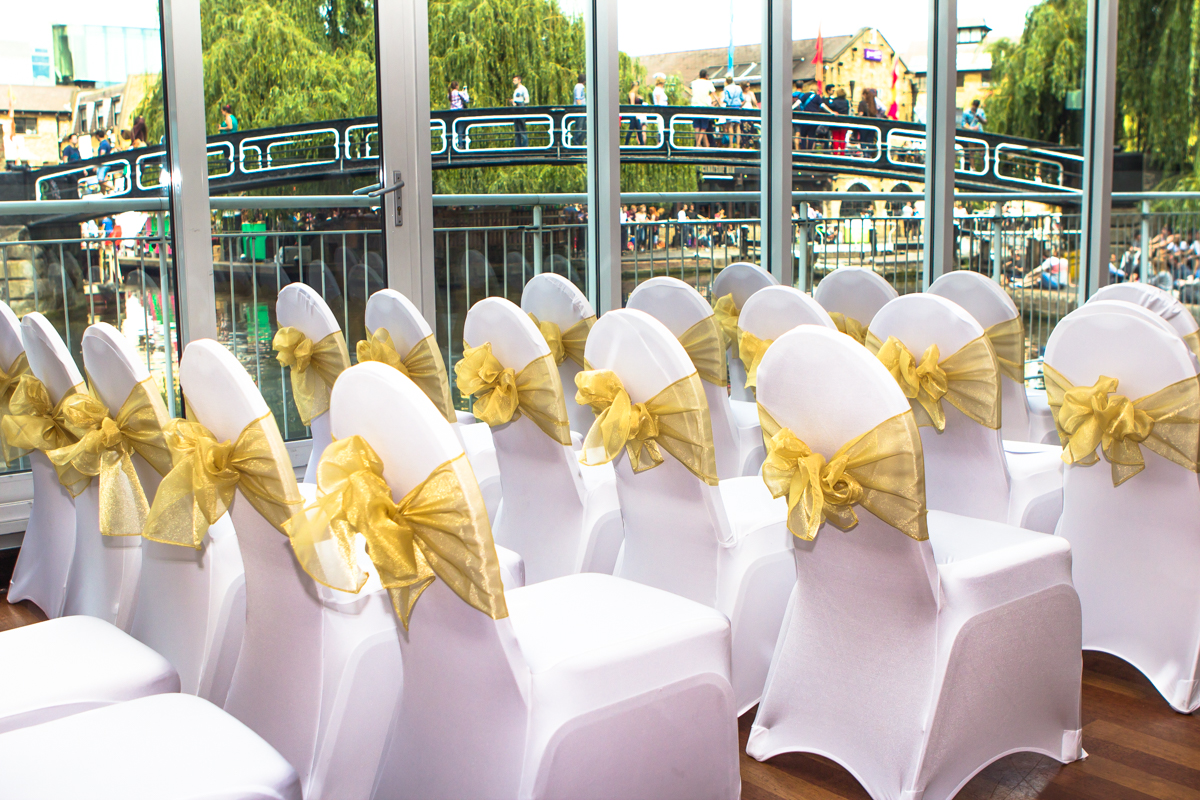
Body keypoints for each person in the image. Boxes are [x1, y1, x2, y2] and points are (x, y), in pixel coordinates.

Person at [690, 69, 716, 147]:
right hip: (704, 106)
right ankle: (698, 143)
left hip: (694, 105)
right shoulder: (708, 83)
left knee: (696, 126)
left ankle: (697, 144)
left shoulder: (693, 83)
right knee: (704, 126)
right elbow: (714, 94)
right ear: (706, 76)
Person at [720, 78, 744, 148]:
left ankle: (731, 144)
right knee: (737, 125)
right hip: (737, 106)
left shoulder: (726, 88)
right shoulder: (738, 87)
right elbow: (742, 98)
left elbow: (726, 99)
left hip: (730, 107)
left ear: (726, 81)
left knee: (730, 125)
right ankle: (738, 144)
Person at [829, 87, 850, 155]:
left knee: (835, 138)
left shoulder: (834, 101)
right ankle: (842, 153)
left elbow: (830, 107)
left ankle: (835, 153)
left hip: (835, 122)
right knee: (842, 138)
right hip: (844, 122)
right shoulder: (846, 102)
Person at [511, 74, 530, 147]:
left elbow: (527, 100)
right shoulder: (516, 90)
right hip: (516, 111)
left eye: (515, 80)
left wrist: (521, 104)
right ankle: (517, 146)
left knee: (522, 130)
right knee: (517, 130)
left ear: (519, 80)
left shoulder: (523, 89)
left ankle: (525, 146)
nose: (513, 82)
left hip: (521, 110)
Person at [625, 79, 645, 145]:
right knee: (635, 129)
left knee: (637, 129)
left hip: (634, 114)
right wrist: (635, 114)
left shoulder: (634, 94)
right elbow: (632, 104)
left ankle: (641, 144)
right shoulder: (632, 94)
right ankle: (641, 144)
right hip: (633, 115)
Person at [739, 81, 757, 147]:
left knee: (750, 128)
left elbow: (755, 102)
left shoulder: (750, 93)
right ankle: (743, 144)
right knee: (743, 128)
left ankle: (750, 144)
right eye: (747, 86)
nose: (748, 88)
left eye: (749, 86)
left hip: (750, 112)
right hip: (743, 112)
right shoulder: (741, 94)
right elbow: (739, 104)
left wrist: (751, 95)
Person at [572, 73, 586, 145]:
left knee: (583, 126)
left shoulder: (579, 86)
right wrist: (581, 109)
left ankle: (579, 143)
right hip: (580, 111)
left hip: (581, 111)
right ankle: (577, 144)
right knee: (580, 127)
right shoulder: (579, 86)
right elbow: (578, 99)